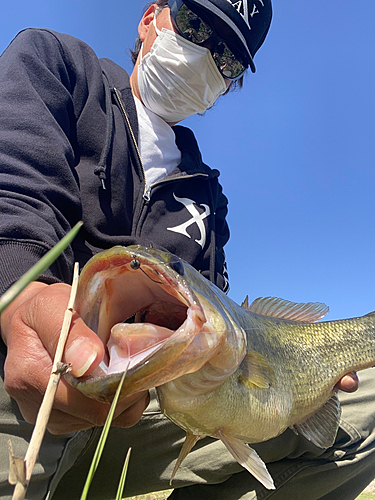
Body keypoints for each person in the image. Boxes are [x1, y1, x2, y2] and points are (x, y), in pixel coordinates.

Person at [0, 1, 373, 499]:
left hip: (158, 406)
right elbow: (14, 206)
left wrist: (301, 370)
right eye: (196, 25)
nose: (205, 57)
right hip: (25, 377)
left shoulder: (208, 197)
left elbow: (220, 310)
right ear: (151, 16)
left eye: (227, 61)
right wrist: (20, 301)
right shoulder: (57, 66)